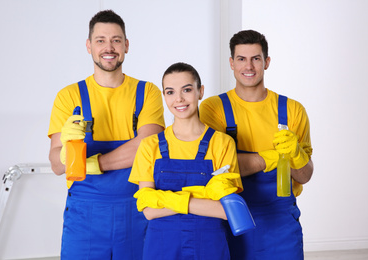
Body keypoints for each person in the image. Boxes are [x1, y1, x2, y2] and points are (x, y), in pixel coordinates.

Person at [47, 10, 165, 259]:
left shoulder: (147, 92)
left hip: (136, 209)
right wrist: (67, 151)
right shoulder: (69, 96)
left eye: (116, 40)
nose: (108, 47)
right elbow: (57, 165)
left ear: (126, 45)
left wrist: (93, 164)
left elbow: (147, 146)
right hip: (84, 217)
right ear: (89, 46)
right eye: (100, 40)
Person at [199, 30, 314, 260]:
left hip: (282, 224)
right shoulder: (213, 109)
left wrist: (297, 155)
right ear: (231, 63)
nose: (248, 66)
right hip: (231, 218)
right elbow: (214, 168)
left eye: (256, 58)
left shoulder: (293, 110)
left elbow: (304, 176)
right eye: (241, 59)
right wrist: (271, 158)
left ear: (266, 62)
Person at [128, 62, 243, 260]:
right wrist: (201, 198)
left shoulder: (222, 143)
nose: (179, 99)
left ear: (201, 92)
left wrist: (166, 199)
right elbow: (148, 211)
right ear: (164, 96)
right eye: (170, 92)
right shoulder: (150, 146)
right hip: (161, 247)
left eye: (187, 90)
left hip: (209, 246)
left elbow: (225, 210)